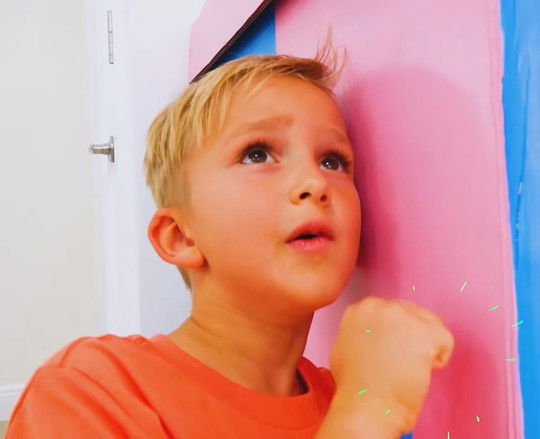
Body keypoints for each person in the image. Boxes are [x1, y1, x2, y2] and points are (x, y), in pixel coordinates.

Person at [5, 45, 454, 438]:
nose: (315, 182)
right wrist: (363, 418)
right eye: (257, 154)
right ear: (180, 236)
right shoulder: (91, 389)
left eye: (333, 161)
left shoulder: (351, 390)